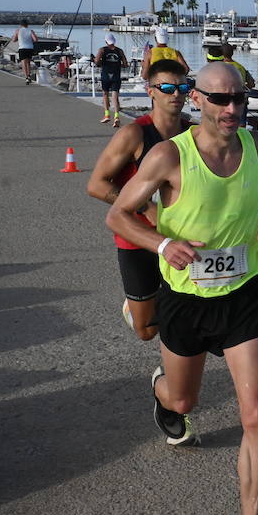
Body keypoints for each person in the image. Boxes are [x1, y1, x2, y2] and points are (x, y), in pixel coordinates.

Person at [106, 61, 258, 515]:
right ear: (197, 100)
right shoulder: (169, 156)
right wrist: (164, 242)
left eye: (240, 99)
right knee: (184, 398)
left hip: (243, 295)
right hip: (186, 301)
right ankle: (163, 393)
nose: (232, 108)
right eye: (220, 99)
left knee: (256, 415)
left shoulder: (255, 146)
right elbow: (117, 214)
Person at [87, 58, 195, 339]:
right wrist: (146, 207)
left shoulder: (193, 133)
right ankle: (138, 308)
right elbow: (96, 184)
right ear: (151, 91)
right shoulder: (133, 134)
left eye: (183, 86)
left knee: (188, 316)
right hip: (138, 239)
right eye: (167, 87)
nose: (176, 94)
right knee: (146, 330)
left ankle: (175, 374)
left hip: (183, 235)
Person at [95, 35, 129, 125]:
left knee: (105, 94)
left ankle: (107, 115)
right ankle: (116, 117)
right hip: (116, 75)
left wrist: (101, 63)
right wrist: (117, 65)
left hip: (106, 75)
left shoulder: (102, 50)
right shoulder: (119, 51)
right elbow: (125, 64)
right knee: (115, 97)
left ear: (106, 41)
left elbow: (97, 61)